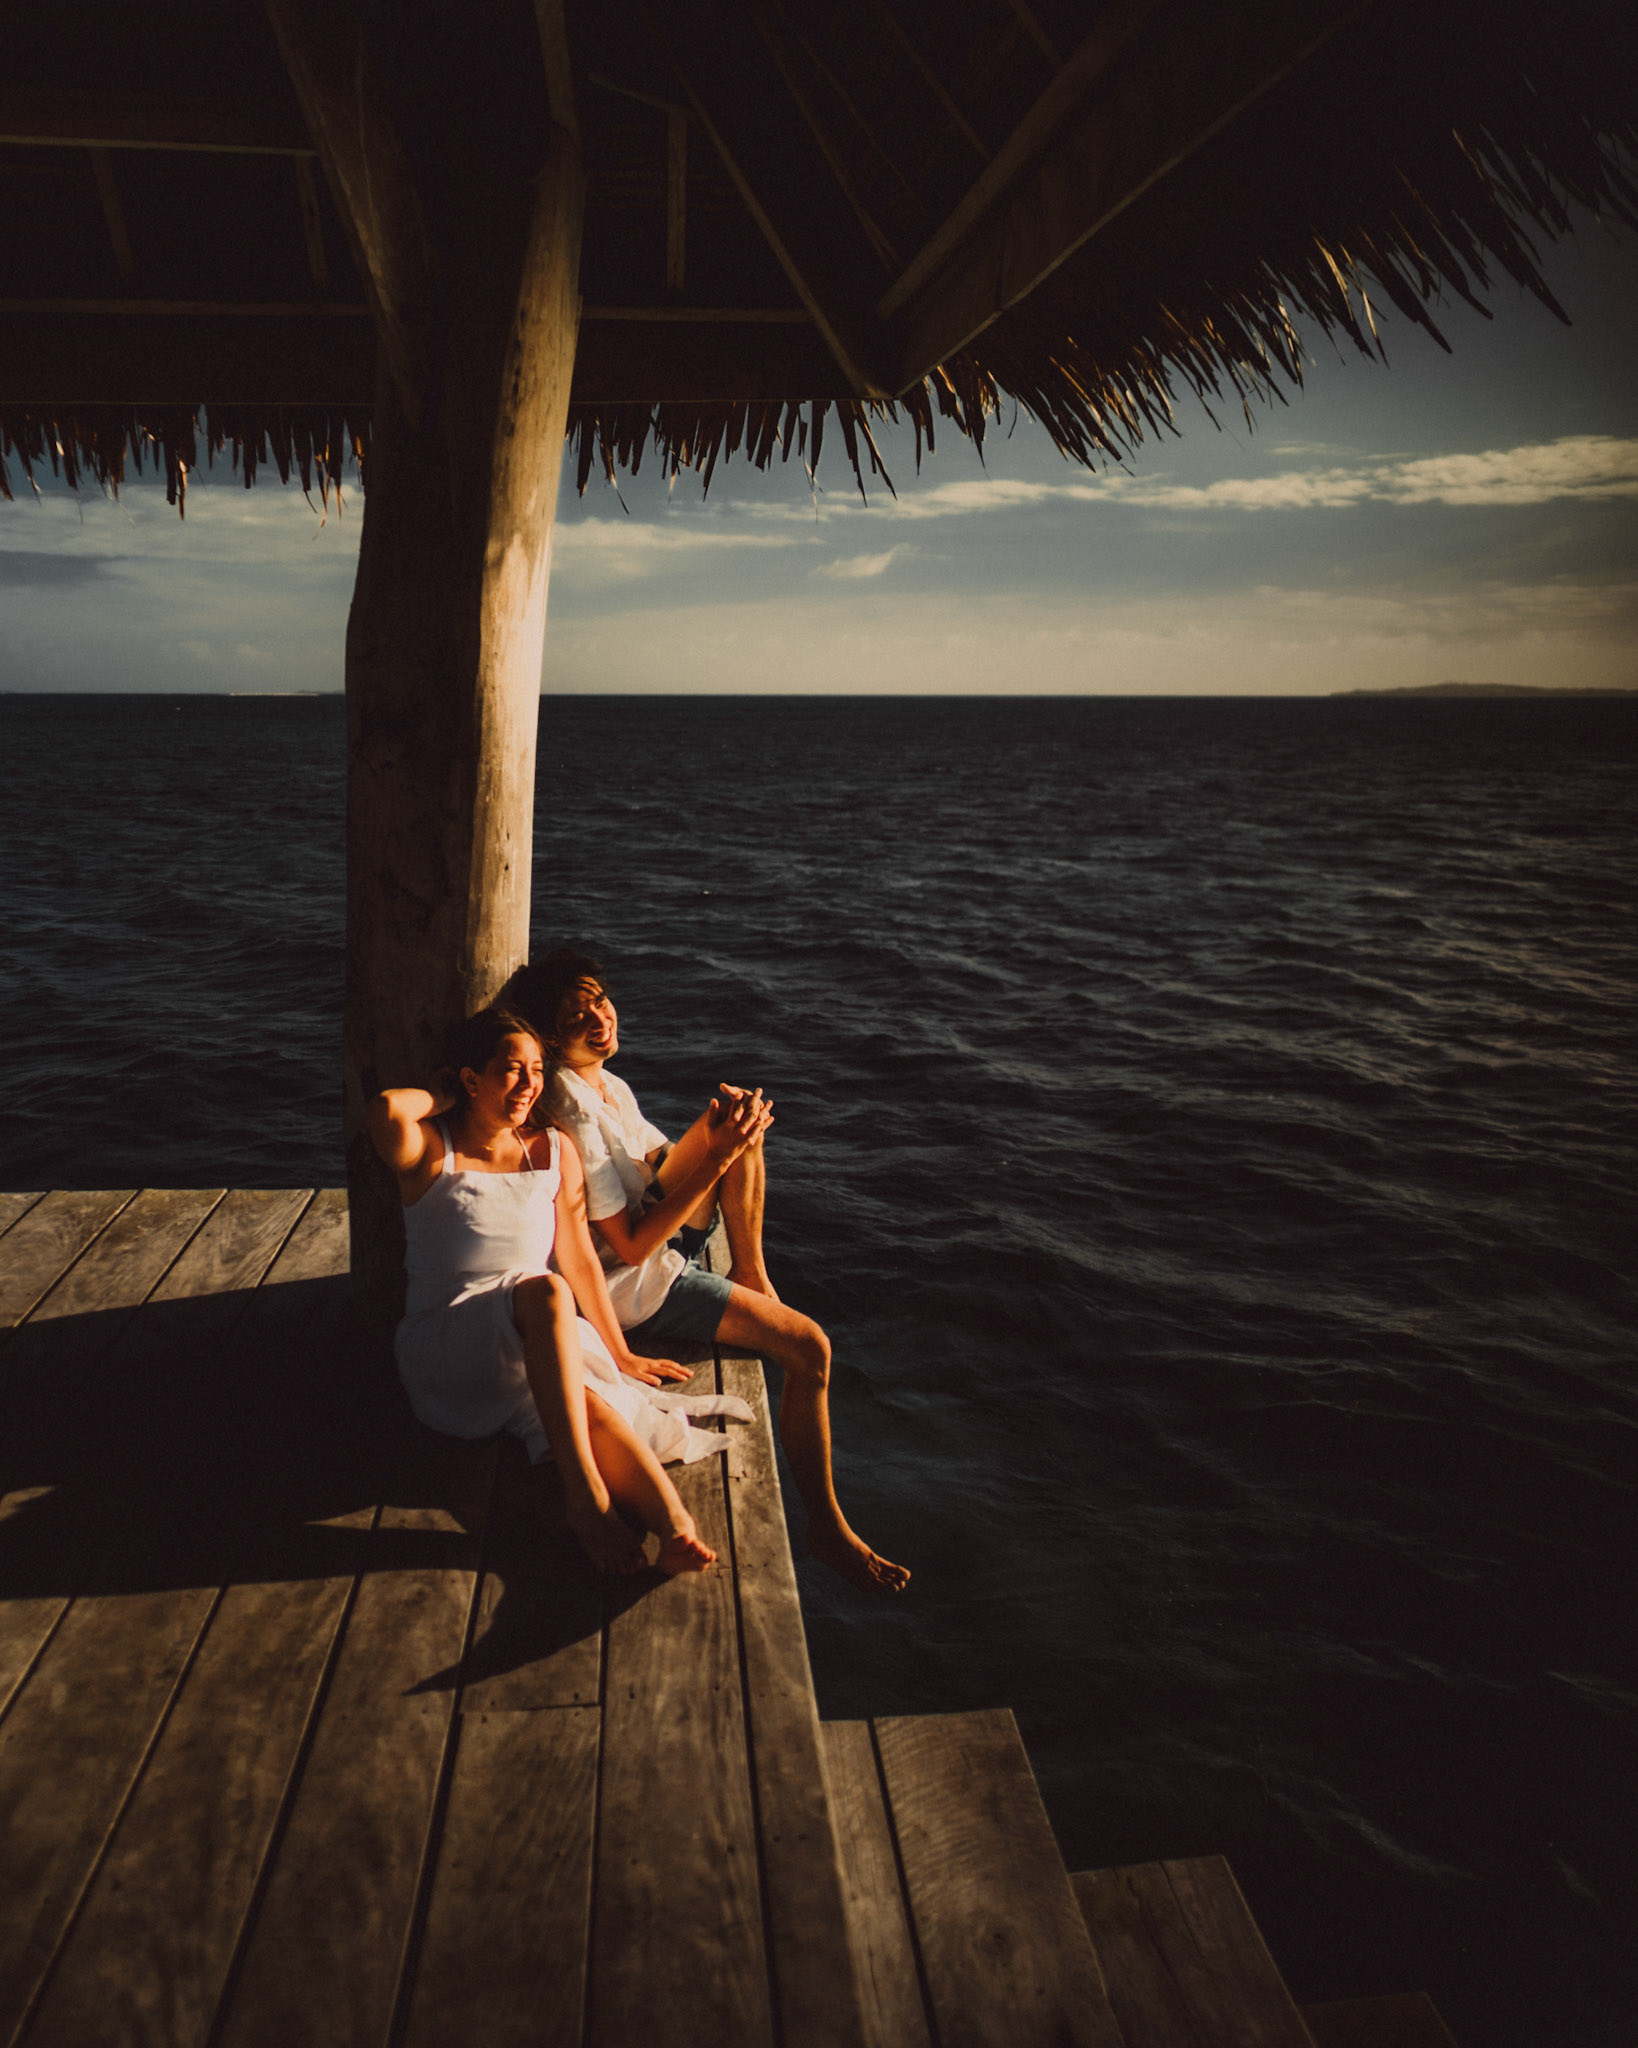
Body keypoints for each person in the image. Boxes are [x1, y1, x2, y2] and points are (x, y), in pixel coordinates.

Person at [501, 949, 910, 1596]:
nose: (598, 1019)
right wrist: (714, 1162)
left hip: (652, 1233)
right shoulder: (569, 1107)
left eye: (599, 1002)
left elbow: (658, 1161)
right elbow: (631, 1248)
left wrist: (721, 1140)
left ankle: (750, 1274)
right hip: (630, 1285)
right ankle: (826, 1526)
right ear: (551, 1037)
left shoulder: (606, 1085)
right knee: (810, 1350)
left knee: (739, 1116)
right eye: (576, 1017)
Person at [368, 1007, 752, 1578]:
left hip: (530, 1336)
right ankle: (587, 1504)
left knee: (593, 1406)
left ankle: (676, 1528)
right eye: (511, 1070)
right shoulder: (429, 1148)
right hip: (448, 1341)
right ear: (471, 1079)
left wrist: (618, 1353)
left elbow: (578, 1262)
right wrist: (446, 1097)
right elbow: (386, 1108)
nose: (529, 1085)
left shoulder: (550, 1149)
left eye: (538, 1071)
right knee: (546, 1293)